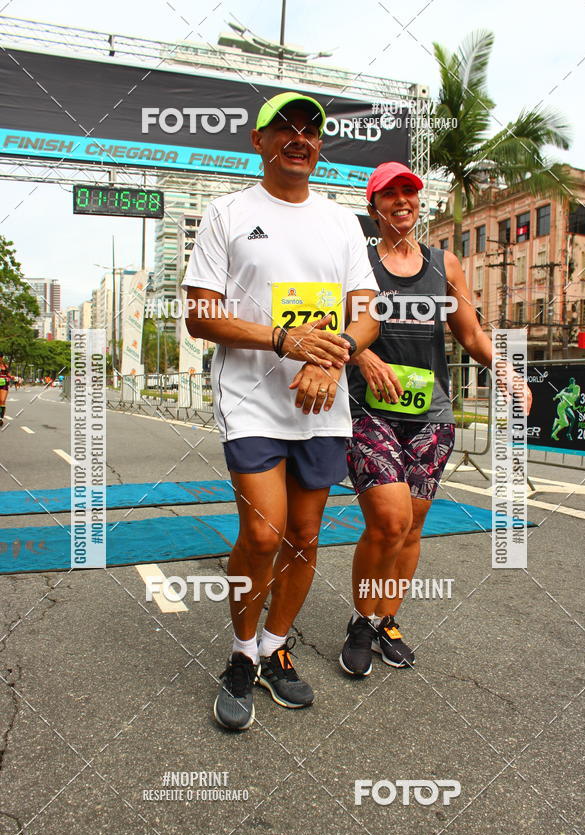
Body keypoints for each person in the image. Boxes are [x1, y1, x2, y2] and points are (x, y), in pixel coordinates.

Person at [183, 91, 379, 729]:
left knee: (303, 536)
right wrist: (282, 340)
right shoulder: (228, 213)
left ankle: (275, 646)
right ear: (259, 141)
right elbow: (200, 313)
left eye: (312, 130)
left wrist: (335, 354)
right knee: (263, 534)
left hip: (323, 400)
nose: (301, 137)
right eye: (285, 128)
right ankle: (241, 651)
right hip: (252, 398)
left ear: (320, 145)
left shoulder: (343, 220)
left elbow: (366, 311)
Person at [340, 161, 532, 676]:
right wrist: (360, 356)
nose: (403, 200)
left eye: (410, 192)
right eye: (391, 194)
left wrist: (509, 373)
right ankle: (362, 619)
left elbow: (470, 335)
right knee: (387, 521)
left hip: (431, 413)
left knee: (413, 526)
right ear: (374, 206)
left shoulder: (443, 264)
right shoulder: (357, 263)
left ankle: (387, 620)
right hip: (369, 409)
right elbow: (341, 328)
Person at [0, 357, 12, 427]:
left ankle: (0, 418)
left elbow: (9, 375)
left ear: (1, 358)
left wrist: (9, 378)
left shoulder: (5, 366)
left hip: (4, 384)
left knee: (2, 401)